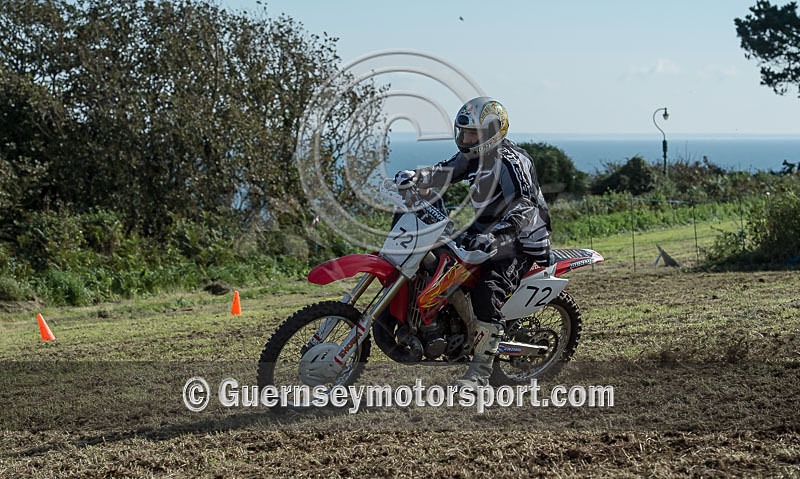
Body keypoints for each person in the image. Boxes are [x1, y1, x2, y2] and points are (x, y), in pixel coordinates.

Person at [396, 96, 552, 389]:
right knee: (433, 258)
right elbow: (444, 172)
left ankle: (480, 373)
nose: (465, 139)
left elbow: (525, 206)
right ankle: (447, 324)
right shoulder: (475, 156)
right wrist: (415, 177)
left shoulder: (512, 162)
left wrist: (496, 235)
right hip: (483, 233)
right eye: (463, 132)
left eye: (472, 134)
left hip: (519, 240)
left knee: (487, 289)